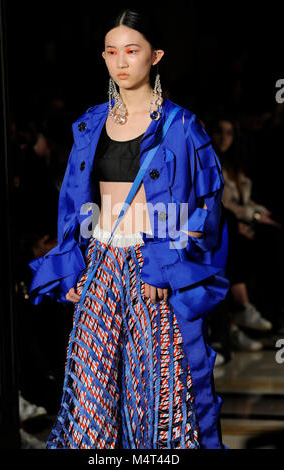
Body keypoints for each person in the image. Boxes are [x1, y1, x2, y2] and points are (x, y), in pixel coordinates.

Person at [28, 9, 229, 449]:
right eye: (111, 52)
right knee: (91, 391)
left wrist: (166, 266)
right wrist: (72, 267)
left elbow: (205, 206)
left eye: (132, 51)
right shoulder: (91, 122)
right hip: (101, 262)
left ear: (155, 56)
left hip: (153, 266)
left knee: (159, 389)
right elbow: (73, 202)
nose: (121, 61)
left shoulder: (182, 126)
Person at [210, 116, 283, 332]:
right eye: (220, 132)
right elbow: (224, 203)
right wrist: (255, 216)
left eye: (229, 133)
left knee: (274, 233)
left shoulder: (233, 166)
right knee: (252, 241)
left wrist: (259, 212)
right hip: (226, 223)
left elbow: (244, 199)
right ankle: (243, 310)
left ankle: (269, 313)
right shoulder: (208, 161)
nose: (224, 138)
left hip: (240, 222)